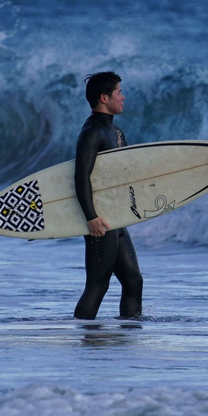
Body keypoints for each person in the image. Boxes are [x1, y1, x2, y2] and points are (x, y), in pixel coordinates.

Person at [73, 71, 143, 320]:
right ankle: (84, 340)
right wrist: (91, 217)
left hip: (116, 218)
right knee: (97, 285)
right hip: (100, 222)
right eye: (119, 92)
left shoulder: (117, 133)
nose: (123, 97)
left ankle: (129, 337)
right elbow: (81, 176)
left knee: (134, 282)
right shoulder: (92, 132)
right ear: (104, 97)